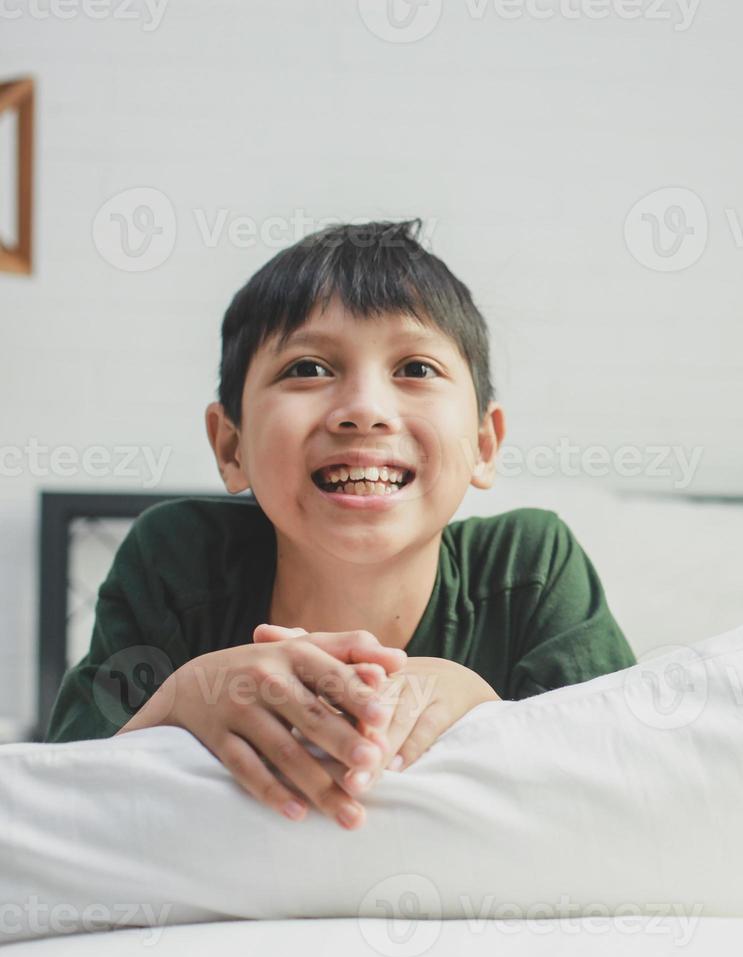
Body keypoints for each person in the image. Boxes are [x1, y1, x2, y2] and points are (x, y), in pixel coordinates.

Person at [47, 220, 635, 833]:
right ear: (231, 446)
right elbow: (55, 793)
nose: (365, 411)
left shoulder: (531, 567)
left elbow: (637, 783)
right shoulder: (175, 559)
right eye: (307, 367)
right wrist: (176, 701)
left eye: (416, 368)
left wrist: (483, 710)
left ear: (484, 444)